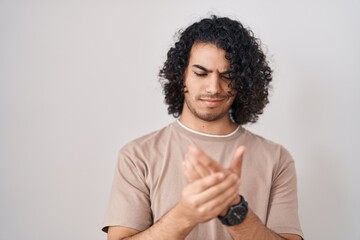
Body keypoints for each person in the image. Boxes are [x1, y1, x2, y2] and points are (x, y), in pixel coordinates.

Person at [102, 15, 304, 240]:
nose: (213, 87)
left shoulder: (276, 159)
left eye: (227, 76)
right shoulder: (137, 156)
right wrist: (184, 215)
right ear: (182, 76)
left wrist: (234, 211)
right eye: (201, 73)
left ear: (243, 82)